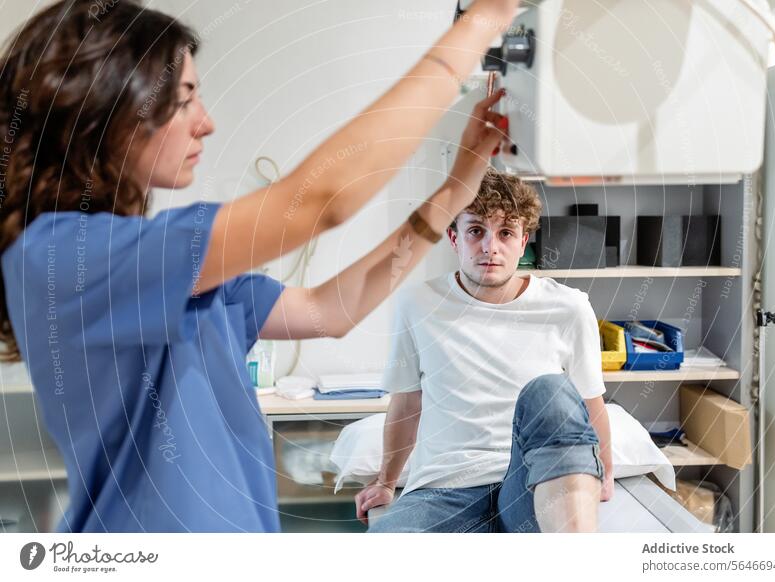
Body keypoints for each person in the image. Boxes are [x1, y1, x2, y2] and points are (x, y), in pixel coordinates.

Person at [0, 0, 521, 532]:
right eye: (183, 101)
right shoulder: (62, 256)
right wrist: (481, 21)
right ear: (106, 111)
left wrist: (457, 187)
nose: (206, 123)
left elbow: (329, 311)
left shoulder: (171, 273)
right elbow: (320, 199)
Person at [355, 169, 614, 533]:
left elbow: (590, 402)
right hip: (444, 491)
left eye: (506, 232)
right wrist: (385, 481)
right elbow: (407, 403)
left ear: (523, 242)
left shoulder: (569, 308)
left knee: (549, 390)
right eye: (476, 230)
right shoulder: (417, 304)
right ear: (453, 238)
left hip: (532, 486)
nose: (490, 247)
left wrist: (604, 473)